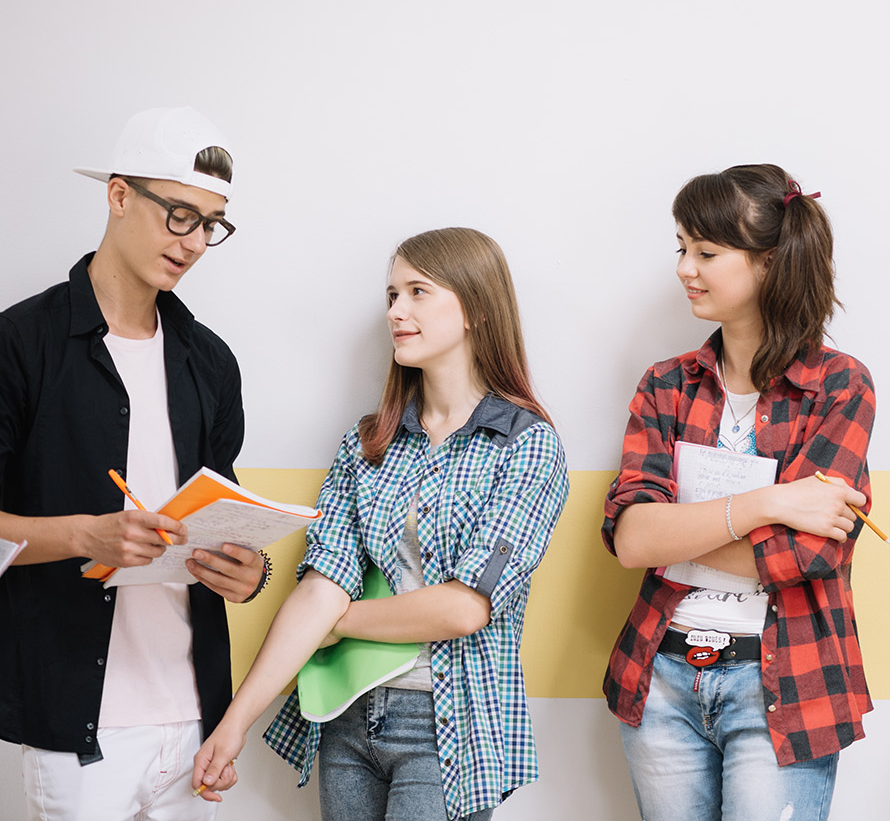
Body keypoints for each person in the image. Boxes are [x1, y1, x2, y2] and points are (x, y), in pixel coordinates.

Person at [192, 228, 569, 821]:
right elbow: (321, 583)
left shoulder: (525, 446)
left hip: (447, 726)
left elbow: (464, 609)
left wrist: (336, 623)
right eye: (392, 295)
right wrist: (233, 725)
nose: (396, 311)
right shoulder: (368, 443)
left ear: (475, 309)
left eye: (418, 292)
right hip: (347, 716)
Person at [0, 106, 267, 820]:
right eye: (179, 214)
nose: (195, 242)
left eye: (211, 223)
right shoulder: (21, 343)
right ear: (119, 196)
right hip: (78, 733)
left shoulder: (210, 361)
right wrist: (87, 536)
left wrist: (250, 570)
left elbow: (223, 517)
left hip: (195, 724)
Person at [601, 165, 875, 821]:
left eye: (706, 251)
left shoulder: (840, 386)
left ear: (769, 263)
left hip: (784, 682)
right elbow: (631, 537)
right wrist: (769, 503)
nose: (684, 267)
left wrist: (678, 533)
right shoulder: (665, 385)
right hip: (660, 674)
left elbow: (807, 556)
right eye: (682, 247)